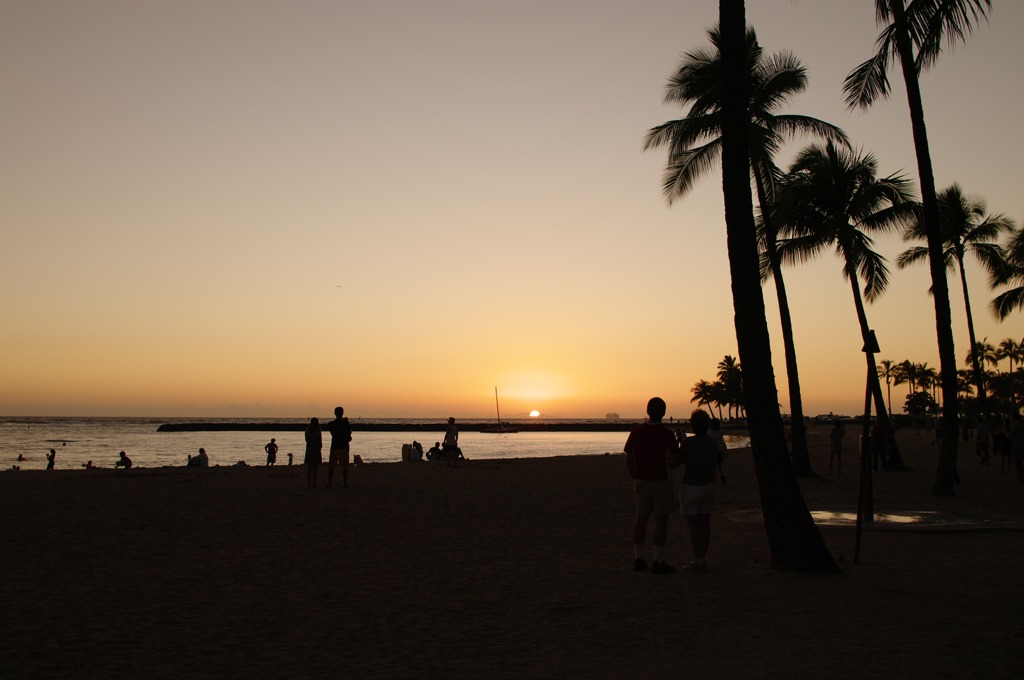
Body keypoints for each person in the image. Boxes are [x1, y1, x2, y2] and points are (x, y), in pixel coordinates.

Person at [624, 397, 678, 575]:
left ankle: (638, 558)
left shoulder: (636, 432)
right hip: (661, 481)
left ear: (648, 411)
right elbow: (674, 459)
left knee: (642, 519)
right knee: (661, 521)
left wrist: (635, 476)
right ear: (663, 413)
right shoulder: (667, 434)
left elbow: (629, 457)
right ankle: (657, 560)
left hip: (642, 481)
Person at [676, 409, 722, 574]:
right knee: (705, 524)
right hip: (709, 485)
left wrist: (680, 445)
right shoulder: (712, 443)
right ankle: (702, 558)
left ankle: (698, 560)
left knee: (694, 527)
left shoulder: (689, 443)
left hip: (691, 486)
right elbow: (717, 459)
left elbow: (680, 461)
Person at [326, 407, 352, 488]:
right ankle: (345, 483)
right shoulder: (345, 423)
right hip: (344, 446)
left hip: (335, 446)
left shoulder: (332, 424)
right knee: (344, 466)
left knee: (332, 466)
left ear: (335, 413)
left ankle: (330, 483)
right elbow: (349, 434)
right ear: (342, 413)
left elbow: (332, 432)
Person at [708, 418, 728, 483]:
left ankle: (715, 479)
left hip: (712, 451)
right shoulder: (720, 431)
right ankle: (721, 475)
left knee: (713, 466)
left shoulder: (709, 432)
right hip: (719, 450)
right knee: (719, 466)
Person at [304, 417, 322, 488]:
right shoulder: (318, 430)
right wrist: (320, 447)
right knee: (315, 468)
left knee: (309, 468)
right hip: (316, 449)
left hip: (309, 448)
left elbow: (306, 440)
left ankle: (309, 484)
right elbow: (320, 440)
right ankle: (314, 484)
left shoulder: (307, 430)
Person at [1010, 412, 1024, 483]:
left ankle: (1020, 477)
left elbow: (1011, 434)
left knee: (1017, 462)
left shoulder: (1014, 424)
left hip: (1017, 444)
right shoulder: (1022, 424)